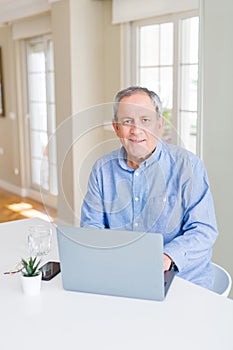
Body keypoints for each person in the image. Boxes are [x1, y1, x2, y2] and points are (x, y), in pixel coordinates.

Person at [81, 86, 218, 290]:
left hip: (183, 283)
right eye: (127, 122)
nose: (136, 130)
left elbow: (204, 230)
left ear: (159, 124)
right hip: (122, 276)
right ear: (116, 128)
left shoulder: (189, 166)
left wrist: (166, 256)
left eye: (145, 120)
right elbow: (92, 226)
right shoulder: (102, 170)